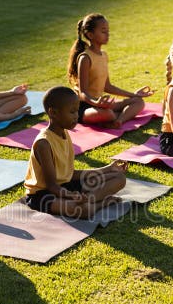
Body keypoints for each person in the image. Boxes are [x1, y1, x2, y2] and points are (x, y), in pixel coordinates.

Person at [24, 86, 126, 219]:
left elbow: (69, 174)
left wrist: (108, 169)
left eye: (77, 111)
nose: (76, 116)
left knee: (119, 178)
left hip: (66, 186)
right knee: (82, 210)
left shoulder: (64, 133)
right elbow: (52, 185)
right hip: (44, 194)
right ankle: (100, 203)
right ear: (53, 113)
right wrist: (71, 195)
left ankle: (89, 200)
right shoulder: (44, 143)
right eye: (72, 112)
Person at [67, 13, 154, 128]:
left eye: (108, 30)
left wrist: (134, 94)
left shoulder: (104, 55)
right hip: (85, 106)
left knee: (139, 102)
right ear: (90, 35)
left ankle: (119, 121)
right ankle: (114, 117)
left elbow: (107, 86)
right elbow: (83, 94)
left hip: (101, 104)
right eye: (103, 31)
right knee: (107, 113)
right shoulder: (85, 58)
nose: (107, 34)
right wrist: (97, 103)